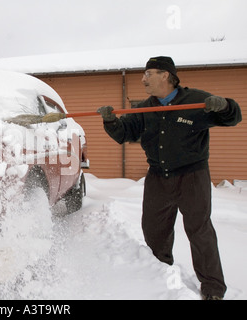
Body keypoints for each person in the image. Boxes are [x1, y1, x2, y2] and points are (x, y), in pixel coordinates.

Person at [98, 56, 242, 300]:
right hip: (158, 177)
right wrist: (111, 120)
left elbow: (231, 117)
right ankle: (160, 274)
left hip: (192, 177)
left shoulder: (195, 100)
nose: (143, 79)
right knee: (154, 230)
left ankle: (213, 288)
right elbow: (124, 133)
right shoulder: (145, 108)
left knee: (200, 231)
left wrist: (225, 106)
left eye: (149, 73)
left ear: (165, 75)